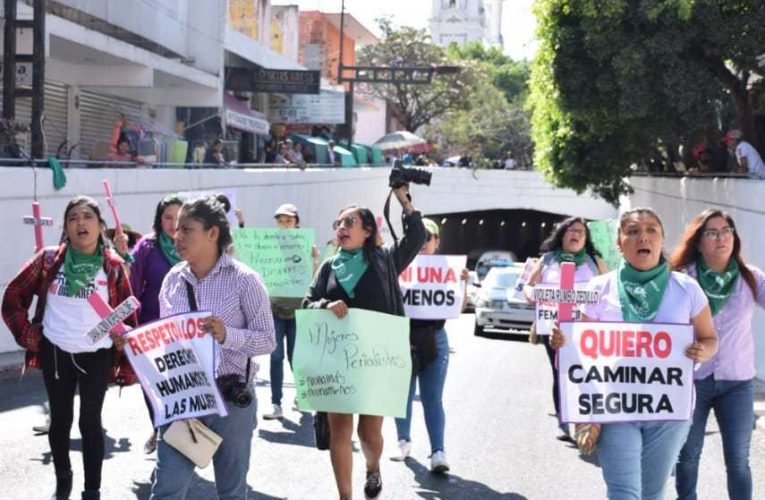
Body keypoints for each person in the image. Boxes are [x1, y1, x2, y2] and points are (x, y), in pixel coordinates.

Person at [550, 207, 718, 500]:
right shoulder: (599, 289)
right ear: (619, 243)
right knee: (624, 493)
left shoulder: (687, 289)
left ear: (662, 239)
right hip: (614, 407)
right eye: (633, 231)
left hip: (668, 410)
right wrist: (562, 339)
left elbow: (710, 338)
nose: (643, 237)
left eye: (652, 230)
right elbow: (576, 348)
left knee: (652, 493)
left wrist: (703, 349)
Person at [2, 195, 137, 500]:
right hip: (55, 352)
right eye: (73, 217)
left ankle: (92, 490)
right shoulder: (49, 260)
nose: (81, 222)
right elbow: (13, 296)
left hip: (97, 356)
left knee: (91, 422)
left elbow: (128, 317)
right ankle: (63, 479)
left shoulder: (113, 267)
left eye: (88, 216)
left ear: (101, 225)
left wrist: (122, 336)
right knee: (60, 420)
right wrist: (29, 336)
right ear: (65, 227)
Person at [145, 196, 276, 500]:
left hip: (231, 403)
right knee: (166, 488)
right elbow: (168, 341)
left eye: (187, 230)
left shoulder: (246, 281)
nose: (177, 237)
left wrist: (226, 335)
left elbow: (268, 339)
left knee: (231, 492)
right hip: (184, 400)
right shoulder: (173, 280)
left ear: (212, 233)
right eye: (176, 230)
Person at [302, 185, 426, 500]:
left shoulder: (386, 259)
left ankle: (373, 468)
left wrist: (403, 200)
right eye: (338, 224)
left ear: (368, 231)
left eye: (349, 223)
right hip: (336, 364)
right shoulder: (329, 266)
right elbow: (307, 303)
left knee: (369, 434)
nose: (341, 228)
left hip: (374, 363)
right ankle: (345, 497)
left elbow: (416, 238)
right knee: (340, 432)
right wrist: (324, 306)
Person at [671, 209, 765, 500]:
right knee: (688, 455)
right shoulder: (683, 279)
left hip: (737, 381)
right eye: (712, 232)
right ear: (698, 242)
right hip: (692, 379)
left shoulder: (751, 277)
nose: (721, 237)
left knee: (738, 460)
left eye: (726, 231)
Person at [393, 218, 468, 473]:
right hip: (402, 335)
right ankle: (403, 441)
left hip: (435, 337)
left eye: (429, 238)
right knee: (401, 395)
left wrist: (462, 282)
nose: (423, 243)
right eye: (419, 237)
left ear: (437, 242)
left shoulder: (447, 269)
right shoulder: (398, 265)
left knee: (432, 397)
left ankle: (438, 451)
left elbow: (459, 307)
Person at [523, 217, 607, 441]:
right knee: (560, 372)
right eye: (570, 230)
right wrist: (533, 295)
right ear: (562, 235)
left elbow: (608, 291)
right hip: (553, 328)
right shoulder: (548, 260)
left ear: (586, 238)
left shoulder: (594, 262)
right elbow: (529, 286)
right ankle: (563, 420)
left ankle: (587, 420)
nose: (575, 234)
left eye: (580, 231)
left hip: (586, 329)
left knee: (585, 374)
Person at [116, 194, 185, 455]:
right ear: (159, 219)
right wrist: (126, 326)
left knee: (179, 387)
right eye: (168, 217)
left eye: (179, 217)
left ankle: (172, 436)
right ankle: (159, 427)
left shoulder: (192, 244)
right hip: (149, 330)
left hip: (184, 332)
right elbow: (131, 285)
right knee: (152, 387)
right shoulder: (147, 246)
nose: (173, 223)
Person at [263, 203, 320, 420]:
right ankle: (276, 404)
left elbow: (315, 276)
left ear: (297, 222)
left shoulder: (308, 245)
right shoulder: (268, 245)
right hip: (275, 307)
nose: (284, 224)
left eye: (288, 220)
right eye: (280, 220)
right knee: (275, 356)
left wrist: (314, 258)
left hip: (298, 309)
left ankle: (301, 397)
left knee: (297, 357)